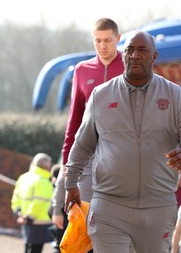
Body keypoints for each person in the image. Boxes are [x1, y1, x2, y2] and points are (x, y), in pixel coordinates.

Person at [64, 31, 181, 252]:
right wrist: (70, 182)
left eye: (142, 50)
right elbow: (82, 143)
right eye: (129, 50)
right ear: (123, 55)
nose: (135, 55)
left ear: (154, 57)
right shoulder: (101, 95)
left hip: (158, 205)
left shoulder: (175, 96)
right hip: (109, 206)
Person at [61, 17, 123, 202]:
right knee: (86, 212)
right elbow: (75, 116)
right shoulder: (82, 70)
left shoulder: (130, 66)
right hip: (88, 153)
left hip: (122, 154)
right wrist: (67, 160)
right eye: (98, 40)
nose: (102, 46)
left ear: (118, 38)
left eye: (107, 40)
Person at [11, 153, 55, 253]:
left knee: (27, 247)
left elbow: (15, 198)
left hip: (24, 220)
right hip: (38, 222)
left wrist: (18, 213)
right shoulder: (44, 181)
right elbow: (39, 202)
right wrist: (29, 218)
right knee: (35, 249)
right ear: (46, 167)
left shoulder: (23, 178)